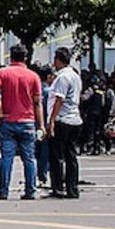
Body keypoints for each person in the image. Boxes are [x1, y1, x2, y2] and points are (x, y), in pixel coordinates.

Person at [0, 44, 43, 201]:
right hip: (28, 121)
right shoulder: (34, 76)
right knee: (29, 158)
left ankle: (4, 190)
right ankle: (30, 190)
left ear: (10, 56)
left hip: (8, 120)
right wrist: (41, 125)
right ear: (25, 58)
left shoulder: (2, 73)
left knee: (7, 157)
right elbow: (37, 103)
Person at [46, 47, 83, 199]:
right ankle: (72, 188)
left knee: (57, 156)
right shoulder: (75, 76)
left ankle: (58, 187)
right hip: (75, 118)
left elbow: (59, 100)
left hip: (62, 119)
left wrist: (52, 120)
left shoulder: (62, 77)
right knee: (71, 155)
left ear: (58, 60)